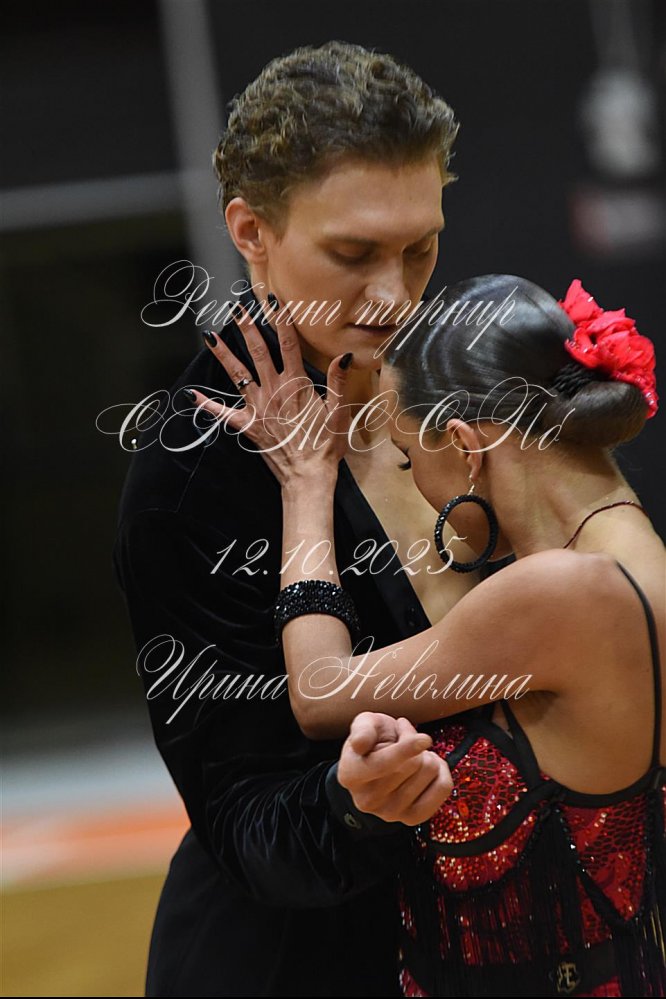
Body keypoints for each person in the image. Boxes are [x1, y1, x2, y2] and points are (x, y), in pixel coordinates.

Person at [113, 41, 477, 998]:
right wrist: (354, 803)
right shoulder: (191, 477)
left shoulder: (475, 387)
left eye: (421, 247)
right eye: (353, 254)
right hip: (295, 966)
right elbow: (243, 820)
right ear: (252, 231)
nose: (394, 294)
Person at [191, 273, 665, 997]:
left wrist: (307, 484)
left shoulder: (560, 592)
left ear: (466, 445)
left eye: (410, 458)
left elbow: (319, 691)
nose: (416, 485)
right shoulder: (635, 553)